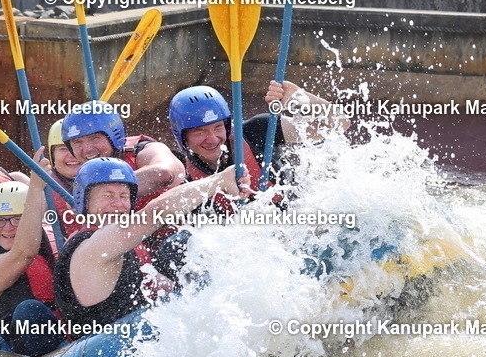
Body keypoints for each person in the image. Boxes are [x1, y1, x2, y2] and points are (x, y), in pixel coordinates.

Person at [53, 157, 248, 339]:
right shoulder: (91, 246)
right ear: (84, 201)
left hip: (135, 341)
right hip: (106, 352)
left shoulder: (118, 246)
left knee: (180, 248)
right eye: (107, 195)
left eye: (124, 196)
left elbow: (162, 287)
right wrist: (220, 180)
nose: (118, 204)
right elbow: (157, 211)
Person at [169, 81, 349, 189]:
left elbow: (340, 124)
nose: (213, 139)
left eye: (217, 127)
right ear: (182, 136)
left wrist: (303, 101)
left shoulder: (257, 130)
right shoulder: (180, 172)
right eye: (200, 131)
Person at [0, 159, 64, 357]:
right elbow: (24, 254)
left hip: (62, 336)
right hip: (17, 351)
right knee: (28, 311)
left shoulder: (56, 238)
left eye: (17, 219)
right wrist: (36, 188)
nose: (8, 228)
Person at [61, 101, 185, 209]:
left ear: (113, 136)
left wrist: (95, 193)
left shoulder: (143, 150)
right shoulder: (83, 174)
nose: (87, 149)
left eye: (94, 138)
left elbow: (164, 173)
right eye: (77, 142)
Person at [46, 119, 81, 238]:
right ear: (53, 156)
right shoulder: (42, 189)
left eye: (76, 146)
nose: (72, 155)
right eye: (63, 148)